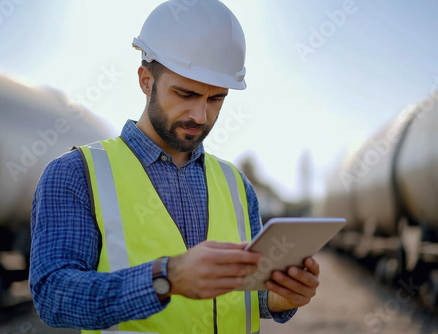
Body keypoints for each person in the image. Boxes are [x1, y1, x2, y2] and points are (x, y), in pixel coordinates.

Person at [29, 0, 320, 333]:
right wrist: (166, 279)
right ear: (145, 80)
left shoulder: (238, 186)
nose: (200, 115)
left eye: (216, 99)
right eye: (185, 93)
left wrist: (278, 298)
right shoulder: (76, 173)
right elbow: (54, 296)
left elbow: (241, 295)